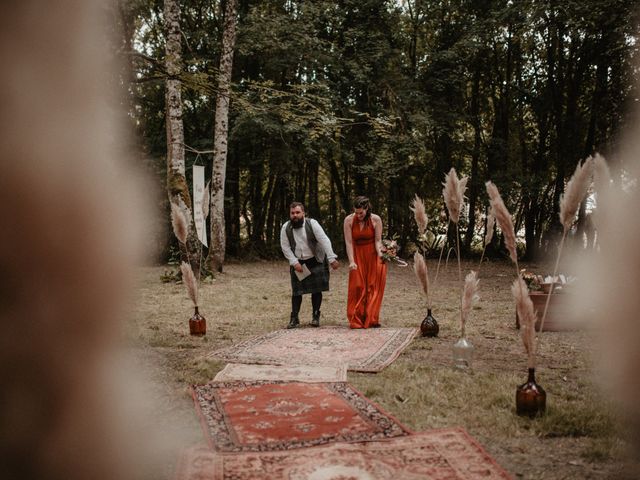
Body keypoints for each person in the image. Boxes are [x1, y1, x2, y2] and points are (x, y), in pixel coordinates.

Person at [280, 202, 340, 328]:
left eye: (297, 212)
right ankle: (294, 318)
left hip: (315, 260)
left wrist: (331, 258)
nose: (295, 215)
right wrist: (294, 262)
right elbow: (285, 247)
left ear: (303, 213)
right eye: (292, 213)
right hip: (299, 263)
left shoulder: (312, 224)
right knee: (297, 292)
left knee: (316, 290)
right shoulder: (286, 228)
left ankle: (315, 316)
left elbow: (324, 240)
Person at [344, 196, 387, 328]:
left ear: (367, 209)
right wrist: (351, 261)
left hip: (373, 254)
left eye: (361, 212)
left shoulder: (376, 219)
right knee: (357, 287)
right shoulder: (348, 220)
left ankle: (371, 318)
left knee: (373, 287)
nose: (359, 215)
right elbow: (349, 242)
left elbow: (378, 241)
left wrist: (382, 255)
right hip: (357, 255)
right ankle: (356, 319)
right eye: (356, 212)